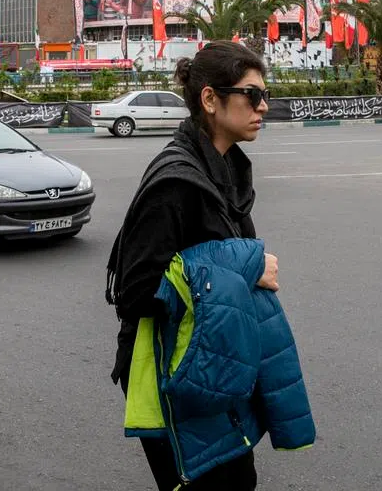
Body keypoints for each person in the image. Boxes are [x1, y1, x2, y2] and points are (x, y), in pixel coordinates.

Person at [108, 41, 275, 490]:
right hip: (172, 373)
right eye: (252, 94)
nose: (264, 105)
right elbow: (136, 291)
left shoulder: (224, 170)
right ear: (210, 99)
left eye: (265, 93)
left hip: (209, 365)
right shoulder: (176, 182)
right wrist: (244, 267)